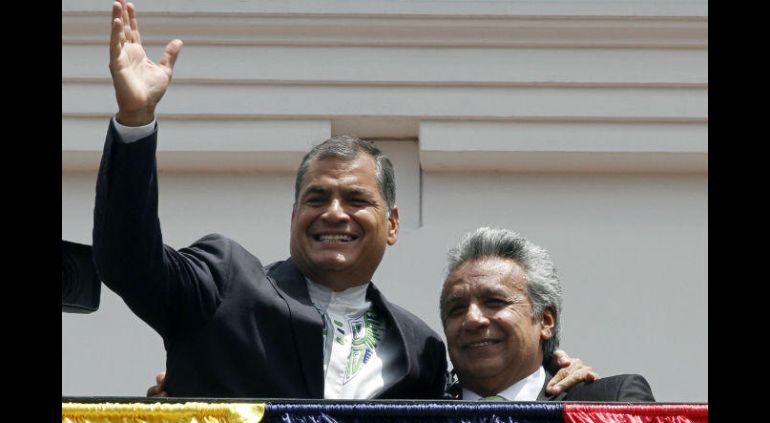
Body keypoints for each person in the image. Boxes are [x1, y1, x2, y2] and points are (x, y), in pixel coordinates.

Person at [98, 1, 592, 399]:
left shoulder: (420, 350)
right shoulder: (226, 283)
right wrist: (135, 122)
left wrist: (553, 370)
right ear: (294, 215)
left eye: (356, 199)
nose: (334, 213)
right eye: (317, 198)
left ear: (391, 224)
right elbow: (127, 261)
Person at [440, 227, 654, 401]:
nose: (472, 319)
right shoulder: (423, 419)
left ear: (545, 320)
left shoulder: (607, 407)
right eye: (457, 309)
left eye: (494, 302)